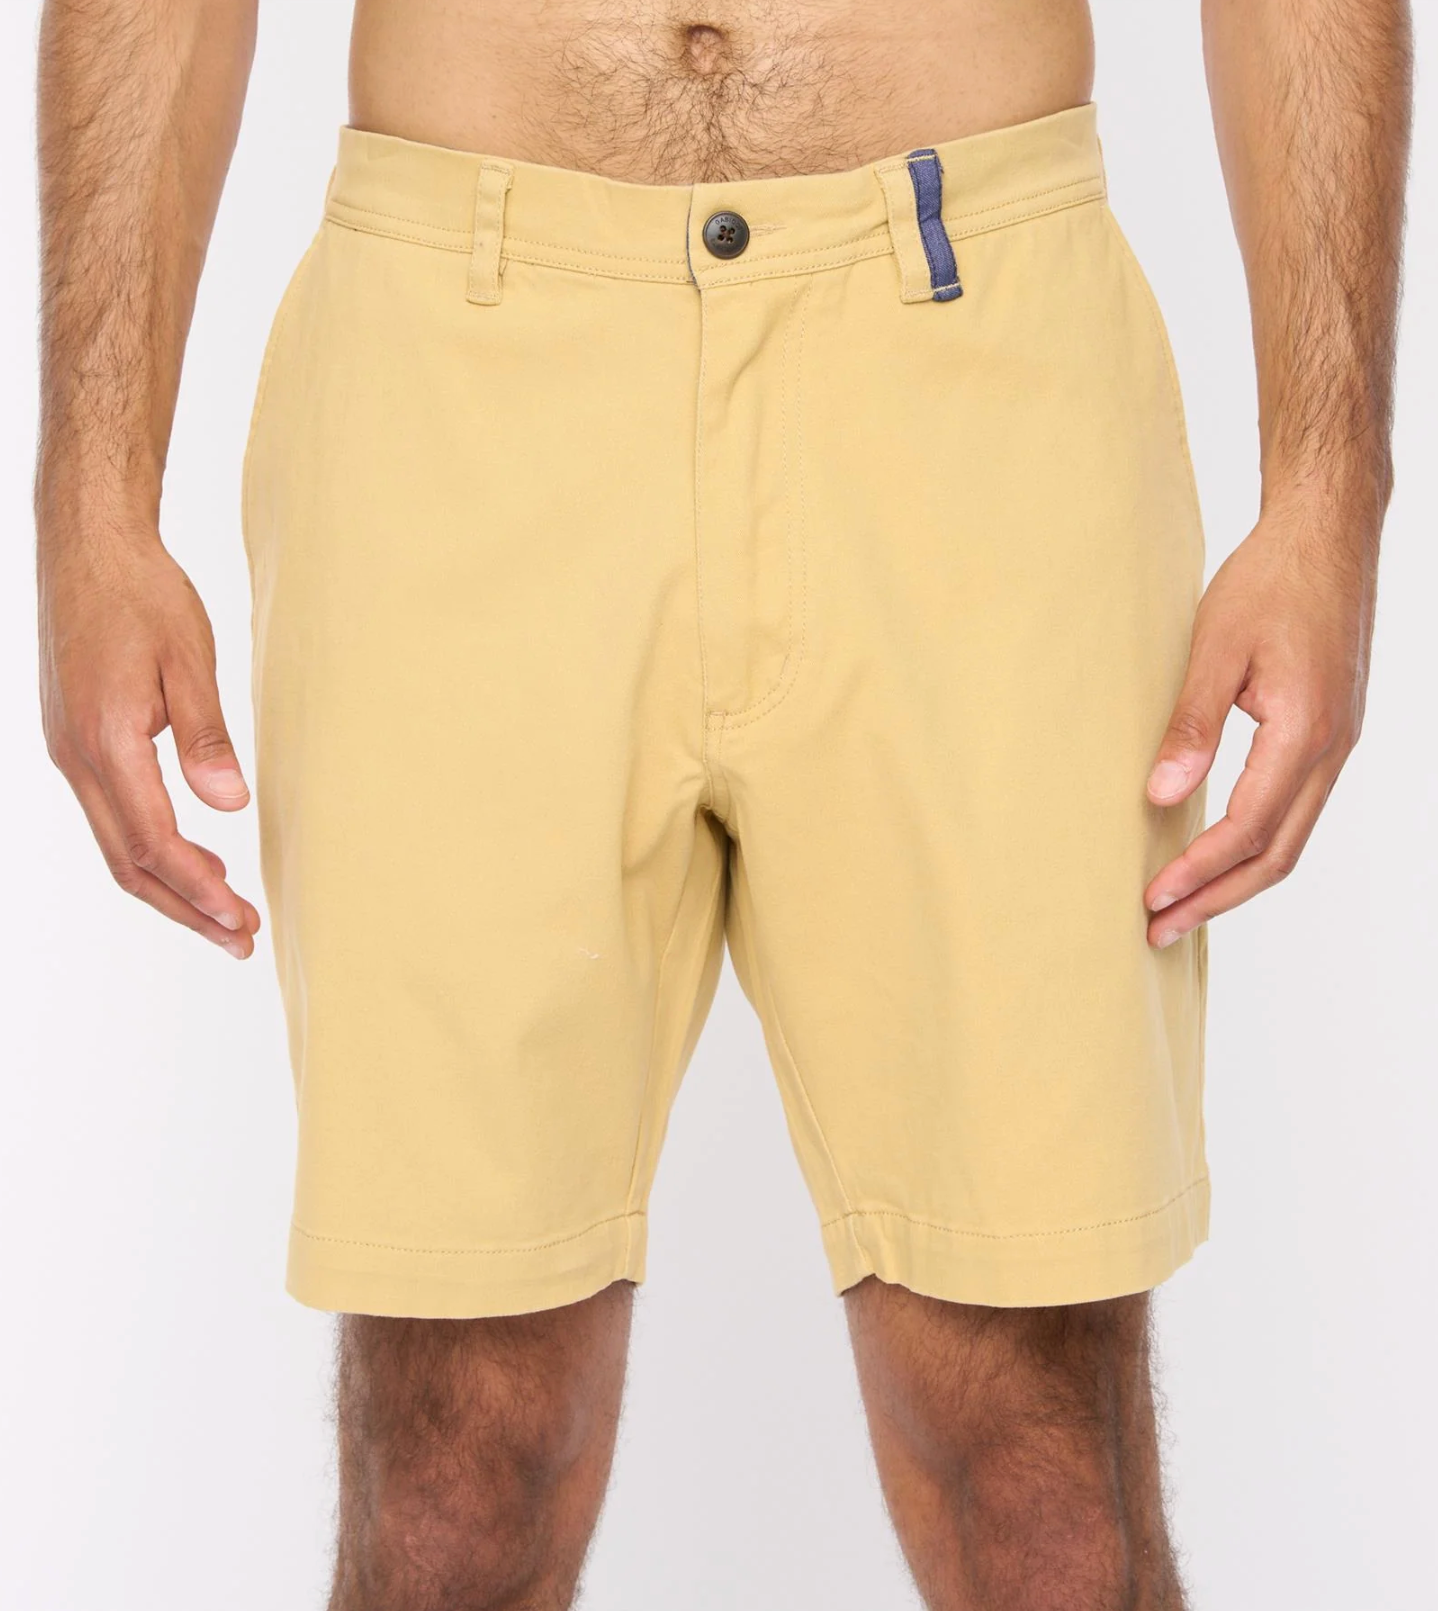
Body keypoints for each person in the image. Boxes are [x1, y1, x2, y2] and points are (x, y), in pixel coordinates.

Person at [33, 1, 1411, 1605]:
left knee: (1043, 1473)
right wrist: (90, 497)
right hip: (457, 348)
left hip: (977, 351)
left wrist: (1329, 489)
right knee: (451, 1473)